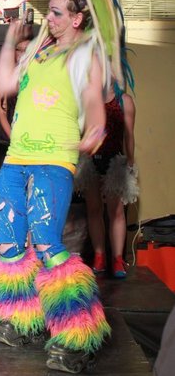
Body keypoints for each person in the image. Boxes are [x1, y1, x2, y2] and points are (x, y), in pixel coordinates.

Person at [0, 0, 127, 374]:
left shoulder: (85, 55)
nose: (47, 17)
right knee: (8, 242)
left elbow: (94, 101)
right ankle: (23, 319)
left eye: (56, 12)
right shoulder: (38, 51)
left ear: (78, 18)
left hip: (53, 160)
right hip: (16, 158)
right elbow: (5, 84)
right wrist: (10, 40)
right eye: (48, 11)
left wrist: (95, 128)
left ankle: (78, 334)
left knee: (47, 243)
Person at [74, 81, 138, 278]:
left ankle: (118, 259)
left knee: (116, 212)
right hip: (90, 160)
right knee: (94, 209)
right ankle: (99, 256)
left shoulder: (124, 101)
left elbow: (129, 135)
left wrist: (130, 162)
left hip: (115, 160)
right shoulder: (87, 97)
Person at [0, 27, 34, 169]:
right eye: (19, 49)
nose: (23, 54)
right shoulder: (7, 77)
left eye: (27, 50)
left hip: (34, 141)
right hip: (9, 141)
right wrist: (14, 139)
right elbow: (1, 113)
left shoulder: (39, 76)